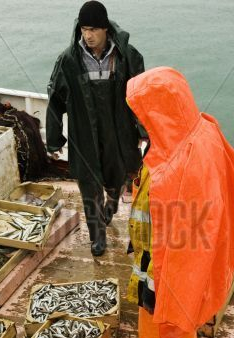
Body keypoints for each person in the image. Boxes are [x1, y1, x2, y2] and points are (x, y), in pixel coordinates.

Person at [126, 67, 234, 338]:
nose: (140, 121)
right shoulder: (202, 130)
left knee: (166, 336)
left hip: (165, 274)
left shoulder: (176, 170)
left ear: (160, 112)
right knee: (171, 333)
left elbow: (182, 239)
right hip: (164, 263)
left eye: (143, 113)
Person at [46, 1, 145, 256]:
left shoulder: (128, 56)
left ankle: (111, 203)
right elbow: (56, 99)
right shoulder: (68, 60)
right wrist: (54, 141)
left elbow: (142, 96)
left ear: (106, 30)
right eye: (83, 30)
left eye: (93, 29)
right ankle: (96, 235)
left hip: (119, 131)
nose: (88, 36)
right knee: (89, 184)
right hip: (84, 134)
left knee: (118, 177)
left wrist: (146, 132)